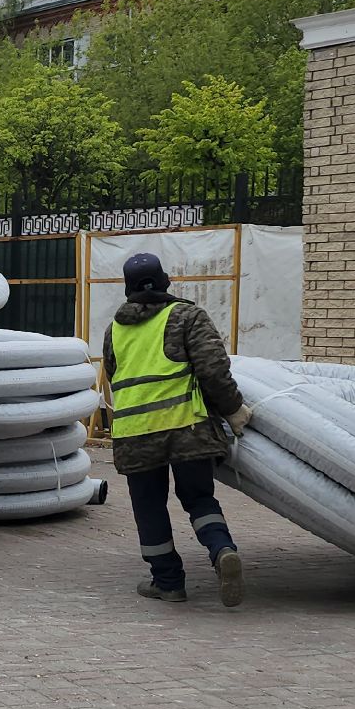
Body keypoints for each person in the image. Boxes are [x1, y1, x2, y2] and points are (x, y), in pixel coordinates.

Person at [102, 253, 251, 607]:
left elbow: (112, 375)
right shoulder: (187, 316)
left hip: (135, 435)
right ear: (165, 281)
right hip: (187, 429)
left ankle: (168, 583)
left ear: (128, 290)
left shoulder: (115, 330)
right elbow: (214, 369)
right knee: (199, 498)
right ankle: (221, 550)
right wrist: (233, 409)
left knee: (149, 507)